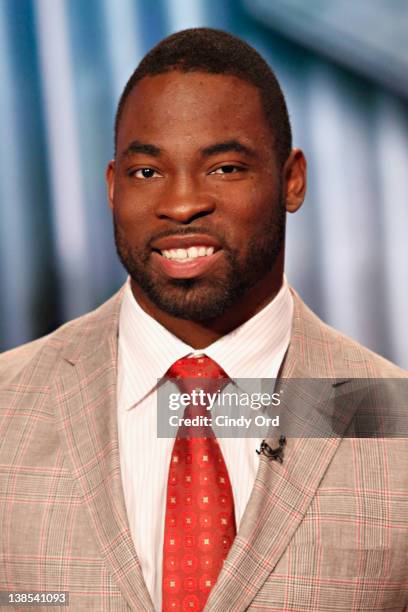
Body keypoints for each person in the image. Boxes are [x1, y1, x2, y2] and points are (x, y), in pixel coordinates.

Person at [0, 28, 407, 612]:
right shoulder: (8, 404)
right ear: (113, 187)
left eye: (225, 168)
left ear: (292, 179)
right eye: (147, 173)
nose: (183, 203)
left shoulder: (393, 420)